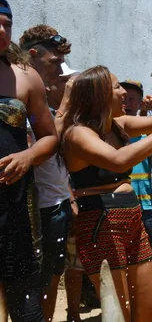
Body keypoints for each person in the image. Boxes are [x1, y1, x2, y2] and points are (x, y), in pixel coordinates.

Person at [59, 65, 152, 322]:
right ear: (99, 95)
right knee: (118, 313)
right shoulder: (77, 133)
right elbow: (118, 160)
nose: (123, 93)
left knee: (147, 310)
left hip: (131, 219)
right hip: (101, 222)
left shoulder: (117, 124)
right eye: (117, 87)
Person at [0, 0, 58, 321]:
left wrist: (27, 156)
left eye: (7, 23)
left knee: (27, 310)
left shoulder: (24, 75)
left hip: (14, 213)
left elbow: (49, 137)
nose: (2, 30)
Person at [19, 24, 76, 321]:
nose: (59, 70)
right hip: (32, 211)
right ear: (32, 56)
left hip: (55, 206)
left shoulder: (42, 103)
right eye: (54, 62)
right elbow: (40, 151)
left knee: (52, 278)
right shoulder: (19, 97)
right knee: (29, 283)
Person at [120, 80, 152, 247]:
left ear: (140, 102)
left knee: (144, 250)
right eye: (124, 98)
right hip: (119, 205)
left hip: (144, 205)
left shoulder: (146, 135)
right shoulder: (110, 132)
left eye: (132, 99)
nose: (127, 103)